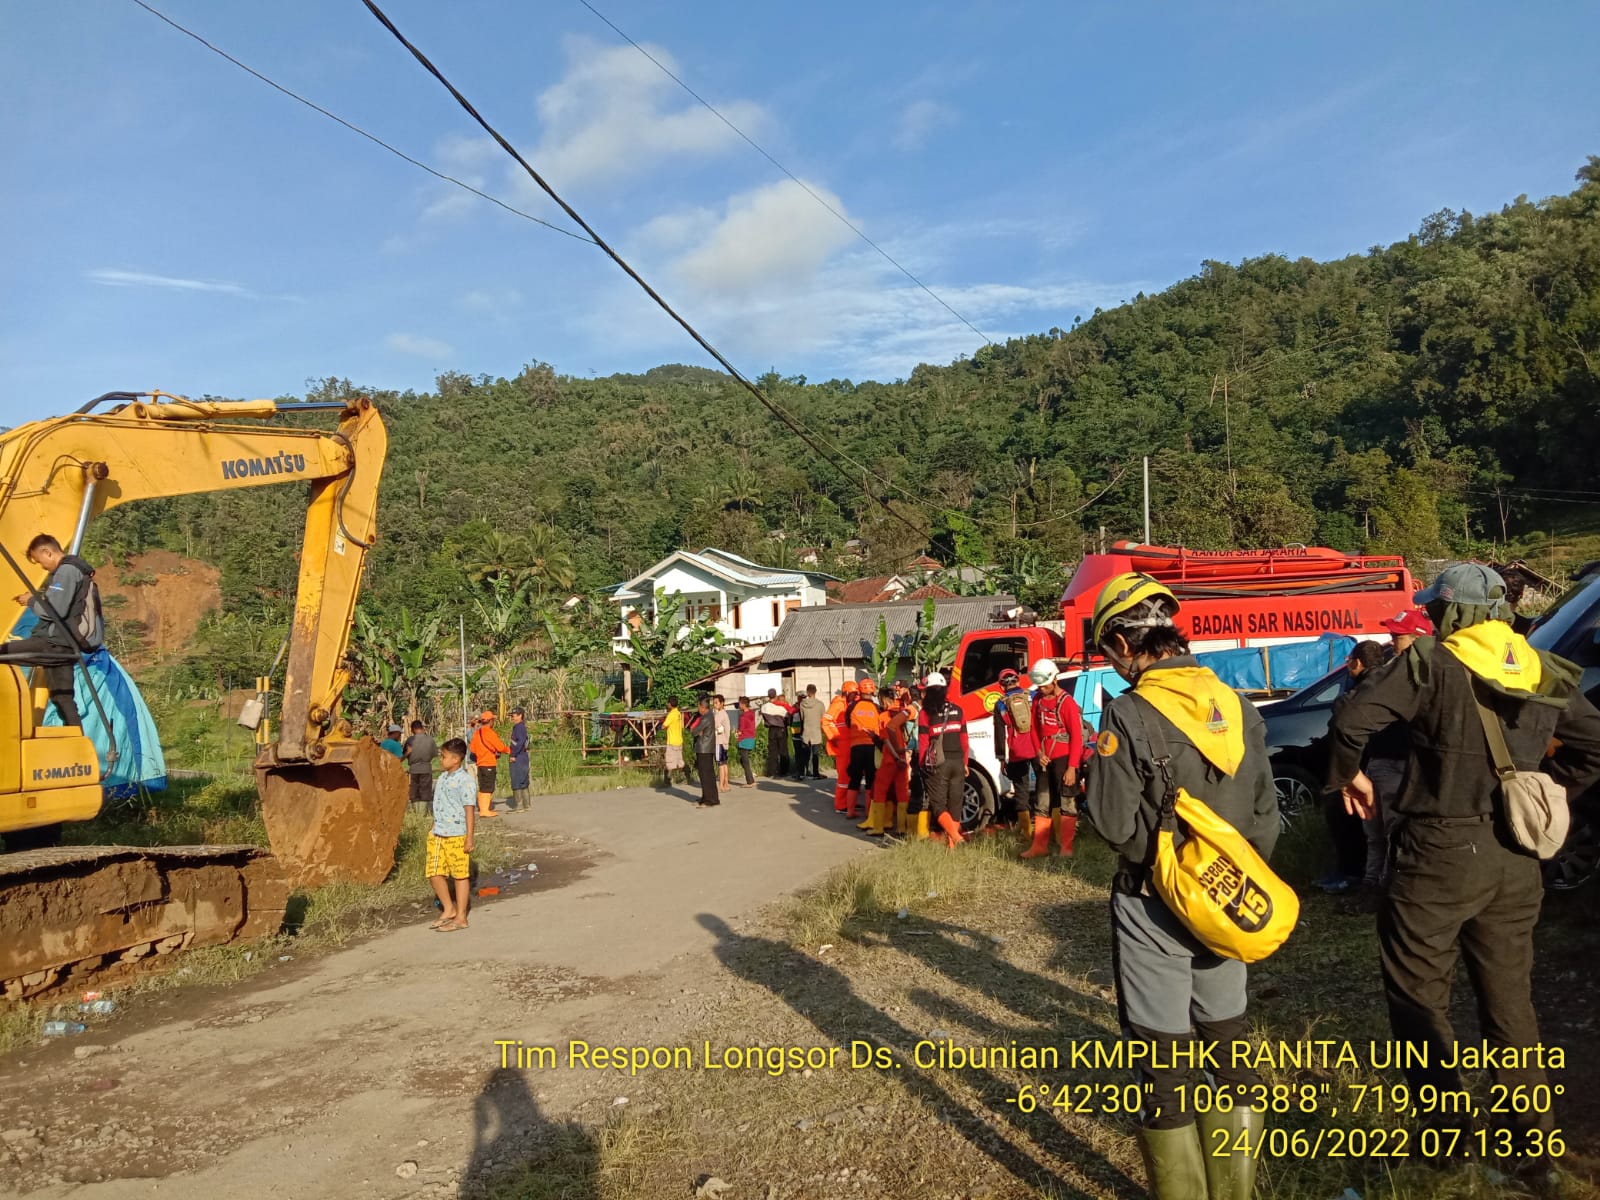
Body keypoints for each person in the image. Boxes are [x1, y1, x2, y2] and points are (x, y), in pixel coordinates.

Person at [1328, 563, 1600, 1183]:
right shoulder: (1540, 666)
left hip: (1437, 852)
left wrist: (1350, 775)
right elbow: (1596, 743)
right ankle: (1533, 1157)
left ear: (1450, 612)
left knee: (1419, 996)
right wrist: (1551, 792)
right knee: (1511, 1005)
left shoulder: (1429, 663)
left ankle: (1445, 1144)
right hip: (1516, 858)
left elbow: (1351, 722)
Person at [1081, 572, 1280, 1200]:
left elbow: (1113, 822)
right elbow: (1268, 816)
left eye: (1106, 649)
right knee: (1227, 1042)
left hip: (1152, 907)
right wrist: (1224, 877)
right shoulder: (1240, 706)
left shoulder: (1128, 712)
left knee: (1162, 1060)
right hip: (1227, 902)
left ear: (1121, 641)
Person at [0, 533, 103, 728]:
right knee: (62, 698)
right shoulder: (78, 571)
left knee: (2, 653)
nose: (42, 567)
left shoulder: (66, 571)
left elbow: (54, 611)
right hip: (67, 648)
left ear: (48, 552)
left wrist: (30, 601)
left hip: (53, 644)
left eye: (40, 561)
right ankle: (76, 743)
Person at [1339, 641, 1407, 896]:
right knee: (1388, 830)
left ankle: (1378, 883)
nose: (1347, 667)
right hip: (1396, 762)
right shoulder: (1396, 681)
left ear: (1358, 663)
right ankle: (1380, 881)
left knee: (1378, 830)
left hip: (1381, 763)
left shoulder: (1363, 690)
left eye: (1349, 662)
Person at [1027, 659, 1084, 858]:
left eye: (1044, 685)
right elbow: (1033, 728)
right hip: (1045, 760)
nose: (1041, 689)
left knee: (1067, 803)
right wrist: (1039, 753)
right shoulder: (1037, 700)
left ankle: (1066, 848)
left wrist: (1072, 767)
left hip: (1064, 759)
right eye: (1039, 686)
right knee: (1041, 803)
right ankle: (1039, 846)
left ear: (1054, 679)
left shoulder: (1067, 703)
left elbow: (1076, 736)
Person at [426, 737, 476, 933]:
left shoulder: (465, 782)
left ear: (456, 759)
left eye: (444, 756)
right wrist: (433, 826)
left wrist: (469, 837)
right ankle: (449, 908)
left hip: (457, 834)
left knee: (459, 875)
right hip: (438, 833)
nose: (441, 759)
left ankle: (462, 917)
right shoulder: (443, 778)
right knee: (434, 871)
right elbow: (439, 804)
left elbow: (469, 810)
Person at [917, 671, 967, 847]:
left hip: (939, 764)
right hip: (958, 762)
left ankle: (957, 837)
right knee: (955, 805)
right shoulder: (958, 710)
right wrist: (965, 762)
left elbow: (923, 742)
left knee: (938, 804)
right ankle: (951, 848)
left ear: (929, 691)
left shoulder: (925, 713)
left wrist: (922, 763)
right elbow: (964, 740)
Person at [992, 668, 1038, 836]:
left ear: (1001, 685)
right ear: (1019, 680)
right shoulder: (1032, 696)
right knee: (1044, 787)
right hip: (1037, 746)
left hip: (1017, 750)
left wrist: (1001, 758)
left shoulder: (1000, 704)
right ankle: (1048, 830)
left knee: (1021, 789)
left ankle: (1026, 832)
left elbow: (999, 733)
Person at [863, 685, 912, 836]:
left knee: (879, 791)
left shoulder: (884, 717)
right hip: (904, 757)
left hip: (890, 759)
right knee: (902, 792)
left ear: (884, 699)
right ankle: (902, 828)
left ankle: (878, 827)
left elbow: (886, 741)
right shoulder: (904, 712)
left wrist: (896, 757)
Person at [844, 678, 883, 819]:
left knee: (854, 779)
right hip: (872, 746)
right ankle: (869, 813)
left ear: (860, 690)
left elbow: (848, 723)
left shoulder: (852, 706)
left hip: (856, 747)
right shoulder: (877, 708)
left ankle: (850, 811)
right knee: (870, 780)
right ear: (872, 691)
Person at [468, 710, 509, 818]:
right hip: (489, 763)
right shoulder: (490, 733)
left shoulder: (477, 733)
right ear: (490, 721)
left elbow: (472, 748)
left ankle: (483, 809)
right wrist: (509, 751)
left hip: (480, 764)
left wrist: (481, 753)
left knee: (482, 787)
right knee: (488, 787)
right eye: (493, 720)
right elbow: (500, 747)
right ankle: (485, 810)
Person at [823, 682, 856, 813]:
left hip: (849, 743)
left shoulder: (847, 704)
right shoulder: (838, 704)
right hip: (842, 744)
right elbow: (825, 721)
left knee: (851, 774)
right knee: (843, 776)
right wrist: (834, 737)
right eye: (853, 694)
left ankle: (849, 801)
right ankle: (841, 805)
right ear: (847, 693)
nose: (855, 696)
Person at [403, 719, 437, 813]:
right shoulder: (430, 740)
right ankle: (423, 813)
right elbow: (434, 754)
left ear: (413, 729)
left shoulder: (410, 740)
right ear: (422, 727)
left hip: (414, 769)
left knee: (414, 790)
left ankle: (416, 812)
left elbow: (405, 753)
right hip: (426, 768)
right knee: (425, 790)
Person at [691, 695, 720, 808]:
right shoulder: (709, 716)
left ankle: (710, 799)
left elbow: (694, 731)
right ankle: (708, 797)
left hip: (704, 748)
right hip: (706, 748)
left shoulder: (706, 717)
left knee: (706, 775)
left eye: (698, 706)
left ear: (702, 707)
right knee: (707, 774)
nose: (698, 709)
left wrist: (697, 731)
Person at [796, 684, 827, 780]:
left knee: (804, 754)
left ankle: (801, 773)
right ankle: (815, 773)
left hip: (806, 731)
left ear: (807, 692)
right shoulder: (820, 704)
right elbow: (823, 718)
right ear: (815, 691)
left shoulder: (802, 704)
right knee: (815, 754)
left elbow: (802, 717)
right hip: (816, 731)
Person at [760, 689, 793, 778]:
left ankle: (772, 772)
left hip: (771, 730)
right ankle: (784, 771)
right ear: (775, 696)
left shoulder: (764, 707)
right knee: (783, 751)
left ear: (768, 696)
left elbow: (764, 719)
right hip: (781, 729)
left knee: (772, 751)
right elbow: (788, 719)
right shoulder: (782, 708)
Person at [661, 697, 689, 787]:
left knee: (669, 762)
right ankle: (687, 776)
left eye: (667, 703)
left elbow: (663, 726)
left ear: (670, 704)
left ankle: (667, 781)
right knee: (679, 761)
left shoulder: (671, 714)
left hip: (672, 741)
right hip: (679, 741)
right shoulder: (678, 713)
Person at [507, 707, 531, 811]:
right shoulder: (520, 727)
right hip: (522, 756)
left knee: (517, 780)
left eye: (514, 715)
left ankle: (519, 805)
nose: (512, 717)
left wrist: (513, 754)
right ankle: (526, 805)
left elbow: (520, 742)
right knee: (523, 781)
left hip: (518, 757)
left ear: (520, 715)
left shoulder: (519, 727)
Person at [735, 696, 758, 786]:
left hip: (744, 738)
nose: (739, 705)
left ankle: (750, 780)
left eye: (740, 703)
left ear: (743, 704)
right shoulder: (752, 713)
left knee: (744, 760)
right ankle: (750, 776)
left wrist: (737, 733)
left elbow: (741, 729)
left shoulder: (743, 716)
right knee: (744, 759)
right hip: (751, 737)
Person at [713, 694, 731, 790]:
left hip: (719, 742)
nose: (715, 705)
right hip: (725, 741)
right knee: (724, 763)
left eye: (716, 703)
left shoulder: (719, 714)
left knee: (720, 764)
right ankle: (726, 784)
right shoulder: (725, 714)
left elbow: (715, 724)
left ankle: (721, 785)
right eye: (714, 703)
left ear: (722, 703)